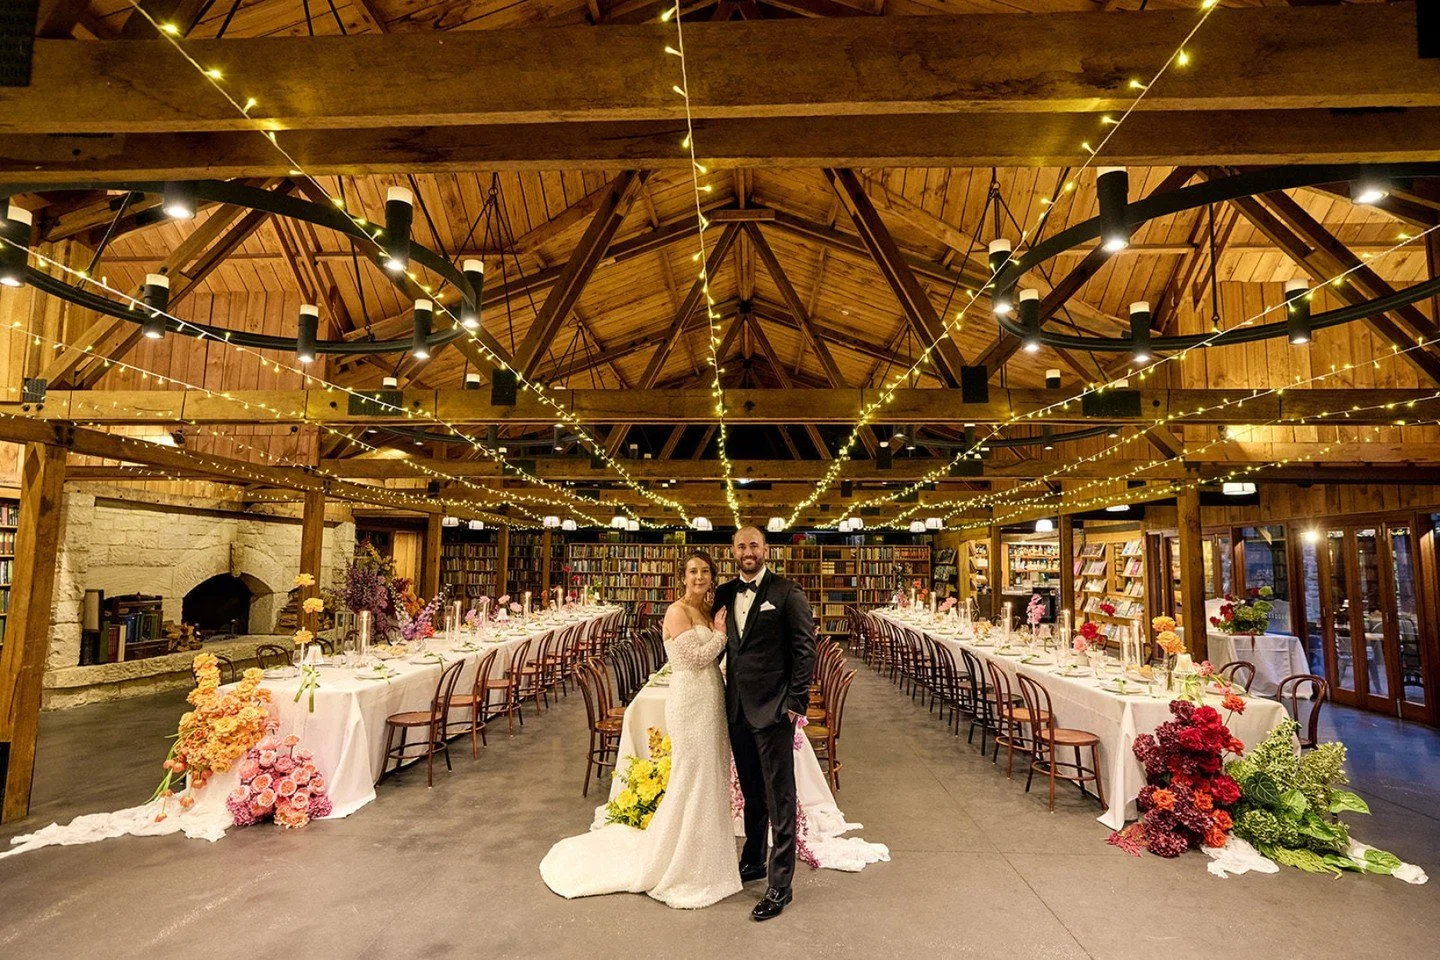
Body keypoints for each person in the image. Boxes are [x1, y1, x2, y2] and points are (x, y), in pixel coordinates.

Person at [539, 551, 742, 909]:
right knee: (689, 776)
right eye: (693, 571)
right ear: (682, 577)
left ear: (712, 577)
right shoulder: (677, 611)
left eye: (705, 571)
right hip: (689, 701)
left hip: (712, 698)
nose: (699, 577)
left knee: (710, 776)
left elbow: (709, 659)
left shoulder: (708, 611)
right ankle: (677, 859)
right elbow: (693, 660)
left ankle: (705, 855)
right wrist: (722, 636)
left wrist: (719, 633)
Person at [712, 524, 817, 921]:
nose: (747, 551)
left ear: (766, 549)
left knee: (780, 796)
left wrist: (795, 703)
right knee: (753, 791)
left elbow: (805, 650)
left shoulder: (786, 593)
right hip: (737, 707)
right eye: (741, 546)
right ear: (733, 551)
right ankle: (753, 858)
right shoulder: (723, 593)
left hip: (774, 709)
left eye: (754, 544)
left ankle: (781, 883)